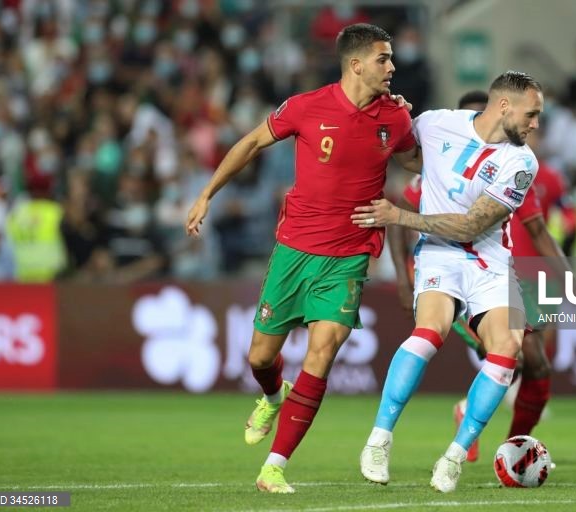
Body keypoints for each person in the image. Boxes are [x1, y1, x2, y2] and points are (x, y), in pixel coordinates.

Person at [185, 23, 419, 494]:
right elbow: (251, 143)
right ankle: (273, 396)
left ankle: (274, 467)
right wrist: (206, 194)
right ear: (356, 64)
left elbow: (416, 162)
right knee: (260, 356)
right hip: (294, 251)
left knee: (323, 350)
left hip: (350, 255)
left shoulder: (395, 119)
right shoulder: (306, 107)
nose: (392, 67)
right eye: (383, 59)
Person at [354, 71, 543, 492]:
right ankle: (379, 440)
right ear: (504, 106)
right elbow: (408, 157)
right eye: (531, 115)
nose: (535, 125)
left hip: (490, 260)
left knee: (508, 347)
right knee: (431, 331)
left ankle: (455, 456)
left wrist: (400, 216)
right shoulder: (437, 122)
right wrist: (394, 113)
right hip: (439, 254)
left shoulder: (522, 162)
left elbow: (472, 224)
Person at [388, 94, 574, 465]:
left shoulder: (519, 167)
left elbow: (538, 230)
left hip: (503, 272)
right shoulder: (439, 165)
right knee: (510, 355)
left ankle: (513, 448)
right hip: (449, 269)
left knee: (536, 363)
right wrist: (402, 278)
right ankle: (471, 433)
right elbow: (400, 215)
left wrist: (568, 278)